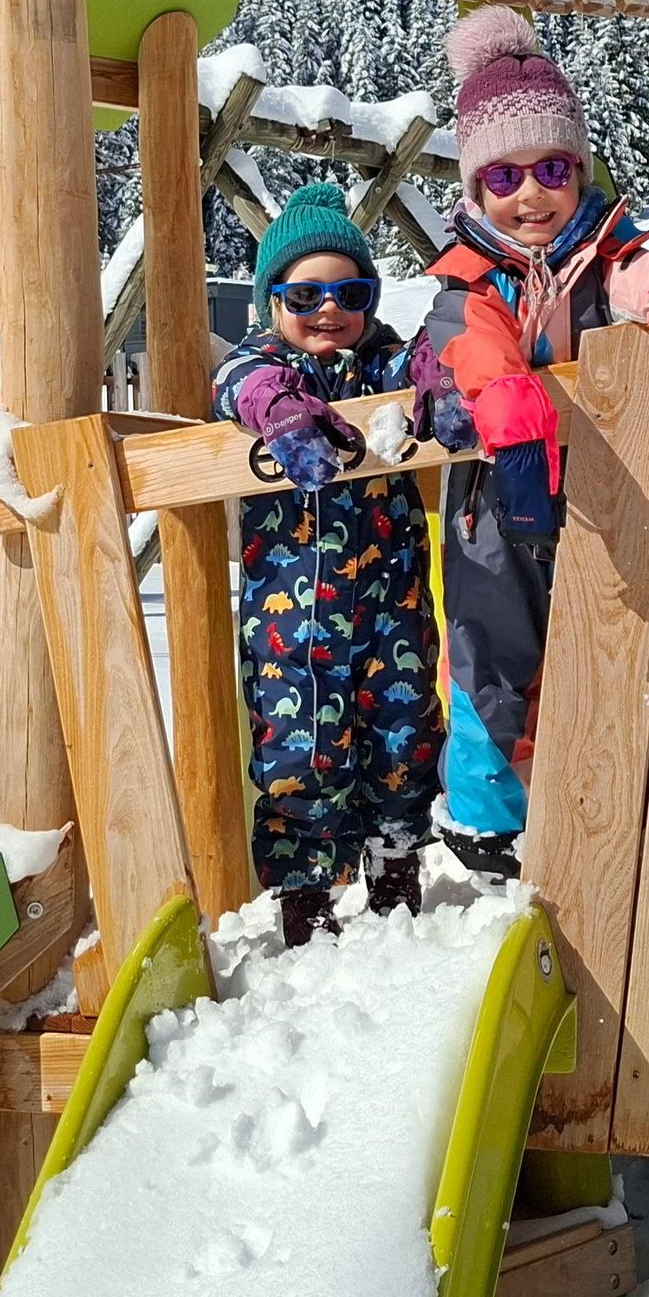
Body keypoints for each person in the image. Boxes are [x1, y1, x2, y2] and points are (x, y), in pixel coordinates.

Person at [416, 7, 649, 871]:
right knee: (489, 651)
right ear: (474, 191)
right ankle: (487, 822)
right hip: (495, 503)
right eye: (503, 178)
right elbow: (482, 358)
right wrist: (518, 446)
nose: (530, 194)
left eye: (551, 169)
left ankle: (608, 801)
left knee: (612, 645)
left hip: (605, 490)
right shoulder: (470, 283)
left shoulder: (606, 258)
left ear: (580, 172)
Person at [210, 183, 443, 943]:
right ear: (270, 302)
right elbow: (234, 382)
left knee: (404, 732)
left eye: (349, 292)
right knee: (297, 747)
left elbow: (433, 358)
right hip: (293, 619)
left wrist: (443, 364)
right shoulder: (259, 371)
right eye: (303, 294)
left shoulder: (385, 366)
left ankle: (398, 869)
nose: (328, 310)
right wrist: (280, 405)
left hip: (391, 607)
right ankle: (305, 895)